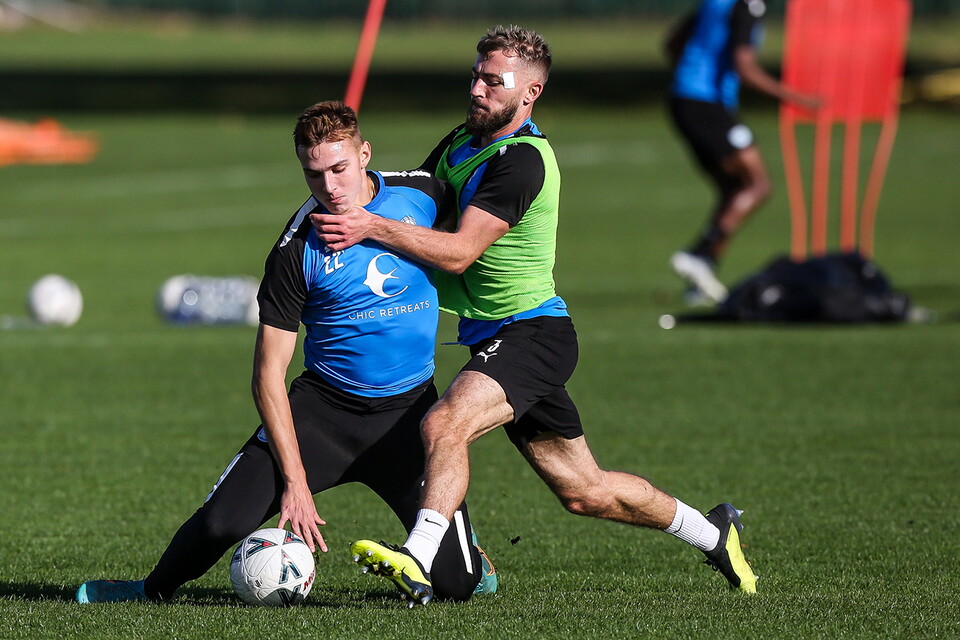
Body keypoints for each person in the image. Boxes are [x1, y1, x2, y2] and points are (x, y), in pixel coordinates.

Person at [312, 26, 757, 606]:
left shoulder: (521, 162)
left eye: (493, 81)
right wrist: (353, 198)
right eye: (475, 74)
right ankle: (714, 532)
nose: (477, 88)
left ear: (530, 93)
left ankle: (419, 561)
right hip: (496, 338)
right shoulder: (459, 142)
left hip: (532, 336)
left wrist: (370, 228)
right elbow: (418, 207)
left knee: (444, 425)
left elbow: (460, 248)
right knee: (585, 492)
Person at [75, 100, 496, 605]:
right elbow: (267, 375)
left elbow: (479, 229)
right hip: (321, 415)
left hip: (409, 417)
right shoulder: (296, 249)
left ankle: (468, 556)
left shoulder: (424, 194)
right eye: (313, 174)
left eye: (339, 168)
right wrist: (295, 482)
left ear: (365, 154)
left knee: (456, 584)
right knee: (219, 522)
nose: (329, 188)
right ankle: (146, 590)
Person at [665, 0, 820, 304]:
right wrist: (798, 99)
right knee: (758, 185)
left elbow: (673, 42)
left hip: (684, 100)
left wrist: (688, 72)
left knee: (734, 190)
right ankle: (697, 255)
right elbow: (745, 67)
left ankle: (701, 277)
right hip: (705, 103)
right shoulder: (748, 5)